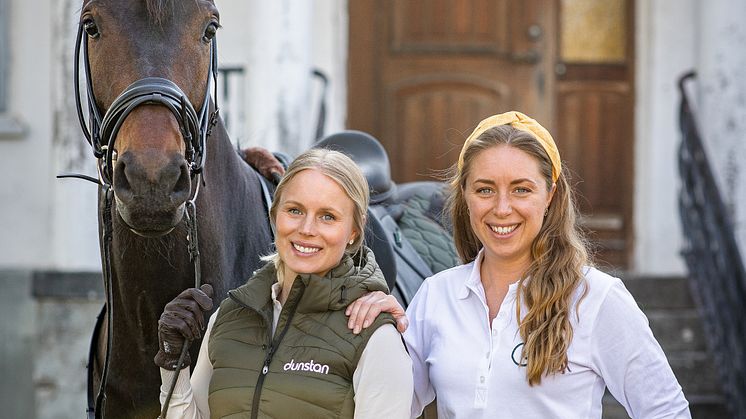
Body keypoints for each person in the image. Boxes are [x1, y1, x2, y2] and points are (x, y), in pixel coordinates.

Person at [347, 111, 691, 418]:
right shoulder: (437, 294)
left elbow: (666, 411)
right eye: (484, 190)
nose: (501, 208)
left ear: (550, 195)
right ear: (464, 194)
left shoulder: (596, 298)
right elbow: (392, 407)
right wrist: (381, 329)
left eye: (521, 190)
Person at [154, 148, 413, 418]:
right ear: (275, 215)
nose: (307, 229)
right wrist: (174, 365)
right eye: (294, 210)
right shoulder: (228, 316)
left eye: (328, 216)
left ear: (353, 231)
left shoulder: (375, 336)